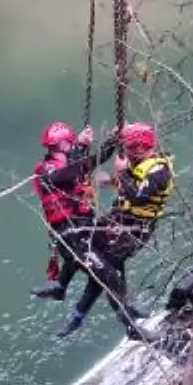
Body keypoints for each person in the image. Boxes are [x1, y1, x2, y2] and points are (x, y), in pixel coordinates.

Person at [57, 121, 174, 341]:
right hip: (117, 219)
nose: (127, 153)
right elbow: (129, 186)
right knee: (91, 256)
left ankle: (96, 316)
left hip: (135, 228)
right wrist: (111, 179)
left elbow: (139, 195)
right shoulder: (140, 162)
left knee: (104, 270)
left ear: (141, 147)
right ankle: (116, 314)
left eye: (130, 148)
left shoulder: (159, 169)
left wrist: (122, 174)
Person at [28, 121, 112, 301]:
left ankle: (61, 287)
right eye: (55, 147)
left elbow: (97, 158)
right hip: (70, 231)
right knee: (104, 272)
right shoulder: (48, 169)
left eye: (60, 146)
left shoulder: (74, 163)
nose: (57, 151)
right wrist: (79, 146)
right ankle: (129, 311)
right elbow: (64, 175)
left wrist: (113, 140)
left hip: (83, 227)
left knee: (104, 265)